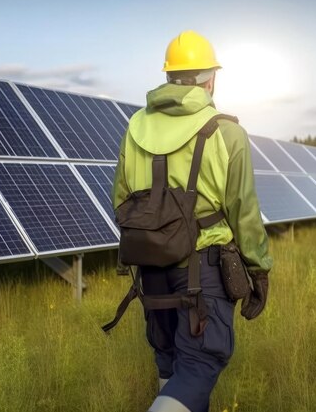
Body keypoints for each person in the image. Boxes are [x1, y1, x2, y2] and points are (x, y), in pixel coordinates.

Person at [111, 30, 273, 412]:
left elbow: (120, 200)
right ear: (210, 78)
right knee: (200, 365)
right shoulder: (226, 132)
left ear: (168, 77)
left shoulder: (134, 127)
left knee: (168, 359)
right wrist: (259, 270)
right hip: (202, 270)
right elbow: (244, 211)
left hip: (150, 269)